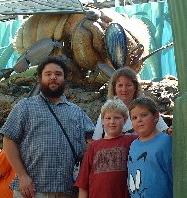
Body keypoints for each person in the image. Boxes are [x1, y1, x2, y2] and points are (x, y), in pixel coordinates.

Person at [0, 56, 95, 198]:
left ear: (65, 79)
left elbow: (93, 141)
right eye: (48, 74)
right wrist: (22, 176)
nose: (53, 78)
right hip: (31, 190)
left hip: (67, 191)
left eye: (58, 74)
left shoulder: (77, 112)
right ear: (40, 78)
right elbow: (8, 140)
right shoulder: (25, 106)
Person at [75, 98, 137, 198]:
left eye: (117, 118)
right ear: (102, 121)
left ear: (125, 120)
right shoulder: (94, 147)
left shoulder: (133, 141)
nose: (112, 121)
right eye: (108, 118)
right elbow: (83, 183)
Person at [92, 67, 170, 140]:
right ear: (114, 88)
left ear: (135, 87)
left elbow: (164, 131)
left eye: (128, 85)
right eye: (120, 85)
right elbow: (96, 140)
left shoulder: (146, 107)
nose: (124, 89)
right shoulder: (107, 110)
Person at [127, 97, 173, 198]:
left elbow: (175, 176)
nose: (139, 120)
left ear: (156, 117)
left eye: (143, 115)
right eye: (134, 118)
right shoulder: (133, 145)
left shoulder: (166, 141)